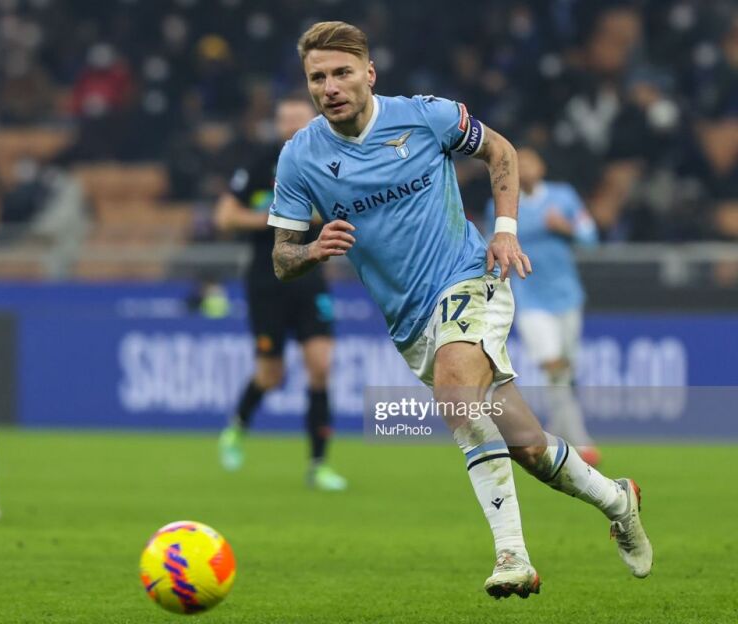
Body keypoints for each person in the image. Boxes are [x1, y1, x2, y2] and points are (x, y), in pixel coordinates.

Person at [268, 22, 652, 598]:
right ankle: (617, 500)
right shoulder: (300, 158)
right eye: (317, 78)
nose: (330, 87)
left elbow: (501, 151)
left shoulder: (425, 116)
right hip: (409, 322)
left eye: (342, 73)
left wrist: (505, 230)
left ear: (369, 73)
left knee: (455, 395)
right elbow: (281, 258)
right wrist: (313, 250)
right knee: (526, 445)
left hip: (470, 277)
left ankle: (512, 556)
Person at [214, 96, 346, 491]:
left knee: (320, 366)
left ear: (314, 121)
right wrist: (277, 218)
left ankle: (318, 465)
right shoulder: (260, 164)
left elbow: (340, 210)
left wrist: (291, 214)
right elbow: (224, 217)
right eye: (284, 119)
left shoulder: (331, 160)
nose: (290, 125)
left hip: (310, 277)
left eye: (297, 118)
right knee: (270, 375)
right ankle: (237, 426)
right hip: (266, 280)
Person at [485, 147, 601, 466]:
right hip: (529, 299)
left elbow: (591, 237)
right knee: (554, 366)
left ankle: (555, 434)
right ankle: (581, 442)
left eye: (530, 161)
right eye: (518, 163)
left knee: (565, 370)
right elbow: (490, 248)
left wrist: (565, 227)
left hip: (567, 296)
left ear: (542, 166)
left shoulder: (563, 197)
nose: (525, 167)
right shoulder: (501, 205)